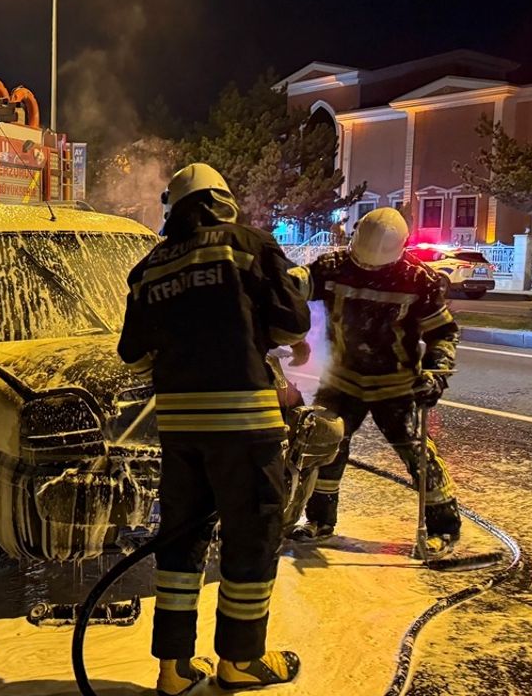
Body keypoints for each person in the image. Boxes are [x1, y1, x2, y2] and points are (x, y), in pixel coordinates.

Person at [118, 163, 312, 695]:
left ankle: (174, 670)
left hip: (180, 431)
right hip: (245, 427)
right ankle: (241, 661)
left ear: (173, 209)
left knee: (181, 544)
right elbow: (292, 324)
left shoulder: (149, 267)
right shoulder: (250, 246)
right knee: (250, 537)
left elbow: (132, 356)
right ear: (222, 201)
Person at [290, 208, 463, 557]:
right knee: (325, 448)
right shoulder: (333, 267)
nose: (367, 270)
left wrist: (436, 372)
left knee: (418, 455)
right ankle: (319, 521)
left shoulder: (419, 281)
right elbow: (292, 288)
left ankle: (444, 527)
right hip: (343, 379)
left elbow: (443, 332)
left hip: (397, 385)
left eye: (375, 266)